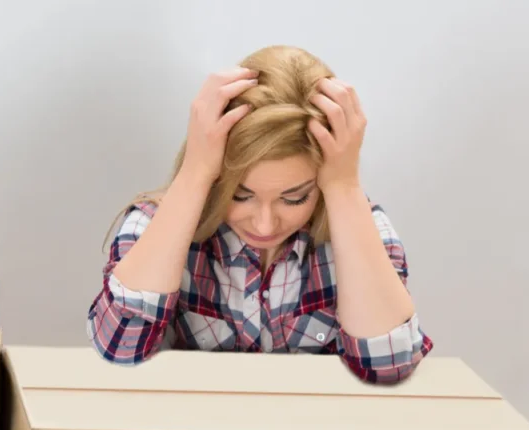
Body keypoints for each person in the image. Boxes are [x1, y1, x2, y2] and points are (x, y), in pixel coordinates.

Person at [86, 45, 431, 384]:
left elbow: (390, 367)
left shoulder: (362, 226)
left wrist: (343, 186)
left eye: (294, 198)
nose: (265, 224)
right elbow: (119, 346)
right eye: (241, 195)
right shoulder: (151, 225)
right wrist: (194, 172)